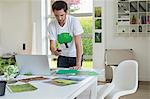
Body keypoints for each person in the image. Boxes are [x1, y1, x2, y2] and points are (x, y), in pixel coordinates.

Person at [48, 0, 83, 70]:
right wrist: (54, 51)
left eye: (62, 15)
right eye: (56, 16)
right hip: (62, 57)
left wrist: (78, 64)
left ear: (66, 12)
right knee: (60, 79)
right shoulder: (52, 24)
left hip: (75, 56)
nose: (59, 18)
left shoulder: (73, 21)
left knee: (75, 79)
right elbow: (52, 45)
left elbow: (78, 44)